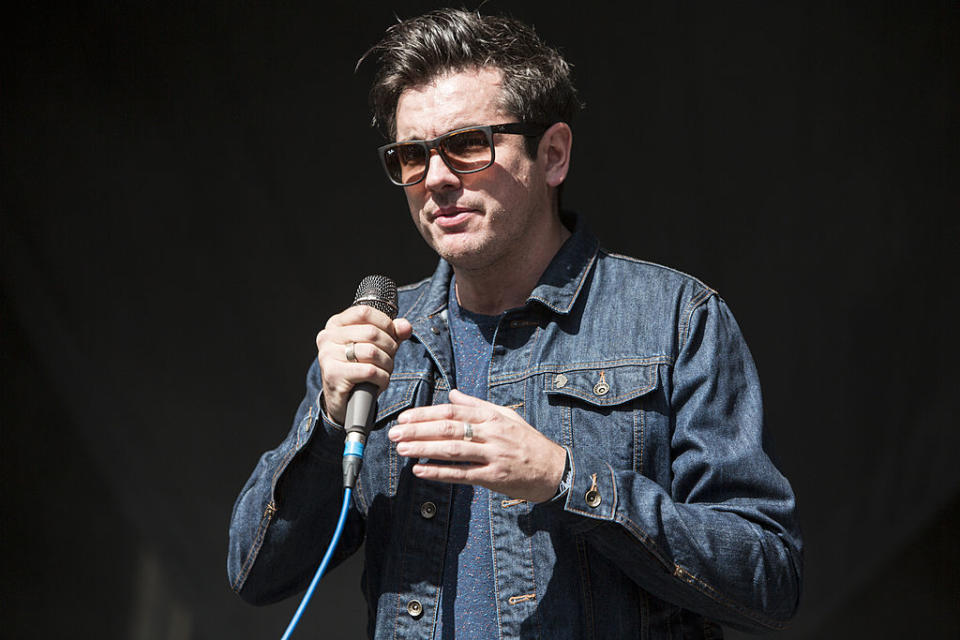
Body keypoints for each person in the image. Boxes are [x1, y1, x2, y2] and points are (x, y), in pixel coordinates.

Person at [227, 8, 802, 639]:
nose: (437, 178)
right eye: (412, 156)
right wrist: (331, 421)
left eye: (469, 145)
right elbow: (256, 574)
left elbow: (768, 577)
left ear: (552, 155)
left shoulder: (673, 320)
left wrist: (564, 479)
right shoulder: (380, 342)